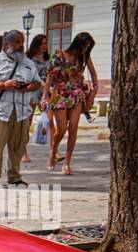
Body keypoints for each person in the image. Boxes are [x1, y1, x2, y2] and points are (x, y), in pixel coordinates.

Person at [0, 29, 41, 188]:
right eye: (17, 42)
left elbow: (38, 82)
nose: (21, 46)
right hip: (0, 112)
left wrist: (29, 87)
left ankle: (14, 177)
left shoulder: (28, 63)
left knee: (18, 146)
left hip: (22, 112)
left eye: (22, 42)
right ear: (7, 44)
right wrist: (4, 85)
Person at [41, 32, 97, 174]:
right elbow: (50, 77)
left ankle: (67, 163)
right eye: (84, 46)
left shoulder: (84, 57)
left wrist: (93, 94)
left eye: (88, 48)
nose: (85, 50)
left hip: (77, 95)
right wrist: (44, 95)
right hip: (59, 94)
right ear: (78, 43)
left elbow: (93, 74)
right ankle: (53, 152)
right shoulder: (59, 56)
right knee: (61, 129)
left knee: (73, 127)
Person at [22, 34, 50, 164]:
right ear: (37, 44)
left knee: (49, 122)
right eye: (42, 43)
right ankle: (23, 151)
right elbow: (31, 77)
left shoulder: (47, 59)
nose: (45, 46)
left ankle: (53, 151)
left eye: (46, 43)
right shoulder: (30, 60)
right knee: (27, 123)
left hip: (46, 93)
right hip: (33, 92)